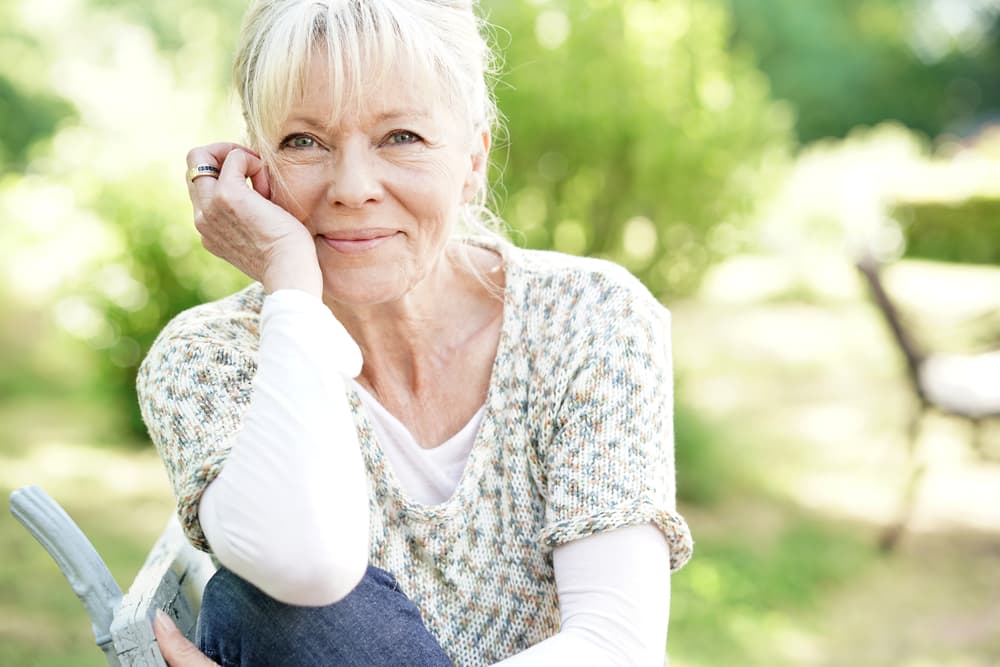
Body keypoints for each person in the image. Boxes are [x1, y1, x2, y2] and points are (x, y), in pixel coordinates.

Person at [138, 0, 693, 665]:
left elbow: (616, 647)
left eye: (400, 136)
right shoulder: (206, 358)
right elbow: (307, 566)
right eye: (303, 141)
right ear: (253, 172)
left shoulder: (588, 317)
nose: (352, 186)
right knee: (271, 603)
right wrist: (293, 289)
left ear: (472, 160)